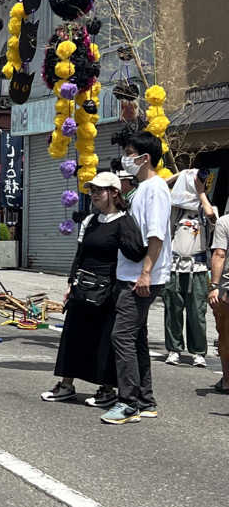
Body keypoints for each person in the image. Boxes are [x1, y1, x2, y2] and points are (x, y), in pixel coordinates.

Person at [42, 172, 146, 407]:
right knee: (72, 335)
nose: (94, 194)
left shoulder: (124, 221)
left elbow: (136, 253)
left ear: (114, 192)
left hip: (108, 289)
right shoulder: (90, 220)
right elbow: (80, 254)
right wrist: (70, 282)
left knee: (103, 339)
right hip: (83, 285)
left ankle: (106, 390)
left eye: (99, 190)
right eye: (92, 190)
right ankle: (66, 385)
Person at [102, 132, 172, 425]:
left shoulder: (155, 189)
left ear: (145, 158)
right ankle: (145, 400)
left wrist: (145, 273)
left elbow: (156, 235)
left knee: (122, 336)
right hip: (131, 273)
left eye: (130, 153)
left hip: (141, 277)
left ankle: (128, 402)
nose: (126, 158)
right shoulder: (142, 188)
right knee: (136, 338)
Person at [162, 168, 216, 367]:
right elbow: (159, 188)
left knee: (197, 312)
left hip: (198, 268)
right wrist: (181, 174)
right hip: (175, 266)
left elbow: (211, 216)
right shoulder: (174, 210)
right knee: (173, 310)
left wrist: (201, 192)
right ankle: (174, 349)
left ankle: (198, 352)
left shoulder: (207, 208)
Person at [208, 210, 229, 394]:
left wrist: (214, 285)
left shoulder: (225, 222)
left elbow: (220, 254)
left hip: (227, 289)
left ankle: (227, 380)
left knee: (225, 334)